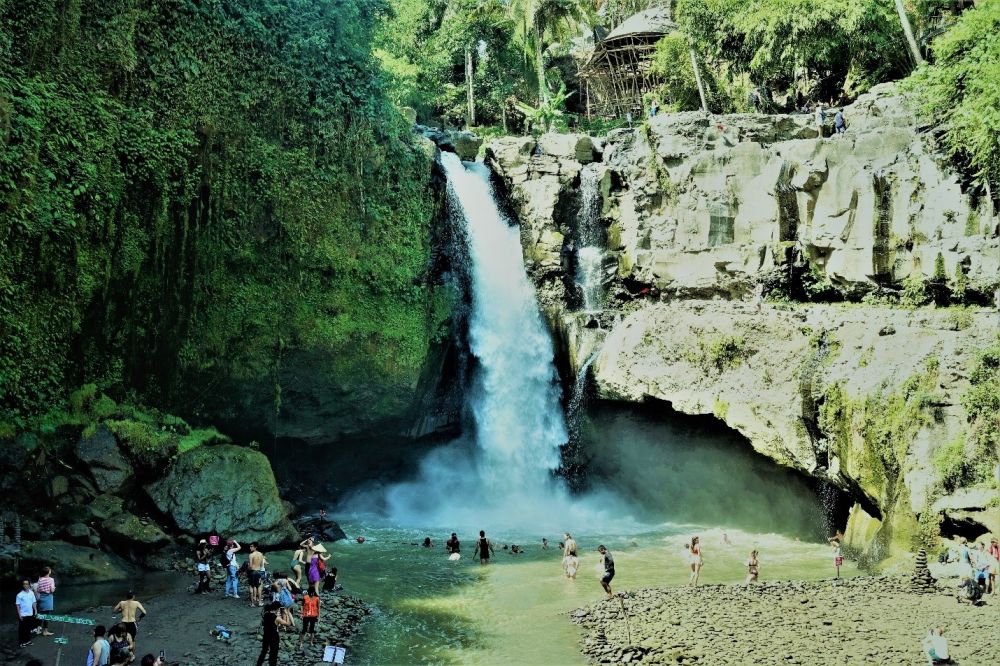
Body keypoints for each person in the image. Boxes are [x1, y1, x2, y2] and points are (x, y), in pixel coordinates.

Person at [256, 601, 290, 666]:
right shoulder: (277, 618)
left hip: (266, 636)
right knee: (273, 654)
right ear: (277, 608)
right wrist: (287, 614)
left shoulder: (265, 614)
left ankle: (258, 664)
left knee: (264, 651)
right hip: (274, 637)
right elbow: (287, 624)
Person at [15, 579, 37, 648]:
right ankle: (22, 642)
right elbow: (18, 606)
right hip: (23, 615)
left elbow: (34, 602)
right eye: (24, 584)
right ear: (22, 585)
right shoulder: (19, 595)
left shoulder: (31, 593)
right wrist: (19, 615)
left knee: (29, 628)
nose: (25, 585)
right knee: (22, 629)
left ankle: (28, 641)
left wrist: (35, 610)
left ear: (29, 585)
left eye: (27, 584)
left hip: (30, 614)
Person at [36, 566, 56, 635]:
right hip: (48, 599)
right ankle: (45, 631)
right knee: (46, 616)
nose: (51, 571)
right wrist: (54, 588)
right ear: (48, 572)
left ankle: (38, 629)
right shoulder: (51, 579)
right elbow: (52, 590)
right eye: (50, 570)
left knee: (41, 615)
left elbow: (38, 590)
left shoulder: (40, 579)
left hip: (41, 598)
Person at [248, 542, 268, 607]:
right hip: (259, 572)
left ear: (255, 547)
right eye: (250, 546)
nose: (250, 548)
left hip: (253, 572)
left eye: (251, 546)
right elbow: (262, 565)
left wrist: (247, 568)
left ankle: (252, 603)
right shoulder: (261, 554)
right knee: (259, 587)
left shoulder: (251, 555)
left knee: (251, 586)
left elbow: (250, 566)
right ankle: (260, 602)